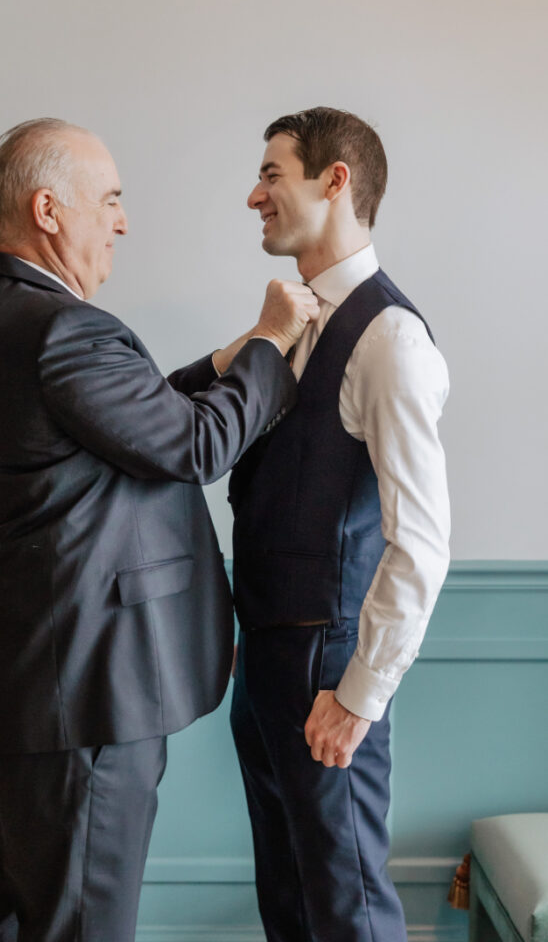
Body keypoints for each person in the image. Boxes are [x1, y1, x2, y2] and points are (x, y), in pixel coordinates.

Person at [0, 118, 318, 942]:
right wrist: (269, 340)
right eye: (108, 200)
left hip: (45, 683)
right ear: (49, 210)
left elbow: (130, 412)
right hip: (86, 692)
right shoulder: (61, 329)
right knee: (82, 925)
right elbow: (194, 444)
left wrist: (222, 363)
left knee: (24, 918)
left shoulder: (14, 315)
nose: (120, 221)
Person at [227, 107, 451, 942]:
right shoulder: (292, 319)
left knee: (348, 907)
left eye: (272, 174)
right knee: (290, 902)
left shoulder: (391, 338)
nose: (255, 195)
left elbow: (421, 541)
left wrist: (358, 697)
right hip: (267, 655)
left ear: (336, 181)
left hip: (328, 666)